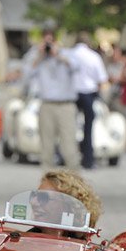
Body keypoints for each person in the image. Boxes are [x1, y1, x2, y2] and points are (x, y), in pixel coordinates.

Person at [23, 27, 81, 170]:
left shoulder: (66, 53)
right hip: (47, 104)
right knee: (46, 148)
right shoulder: (36, 55)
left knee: (69, 147)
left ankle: (76, 183)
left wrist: (58, 55)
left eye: (51, 40)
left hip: (66, 105)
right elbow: (26, 74)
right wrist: (40, 56)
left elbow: (76, 67)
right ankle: (47, 184)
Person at [72, 32, 109, 169]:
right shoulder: (94, 57)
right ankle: (88, 159)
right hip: (88, 94)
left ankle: (66, 156)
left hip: (71, 95)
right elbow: (102, 80)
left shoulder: (70, 54)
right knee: (88, 128)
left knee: (69, 127)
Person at [35, 169, 101, 235]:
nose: (34, 202)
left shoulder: (81, 244)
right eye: (34, 196)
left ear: (69, 206)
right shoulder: (25, 241)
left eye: (43, 198)